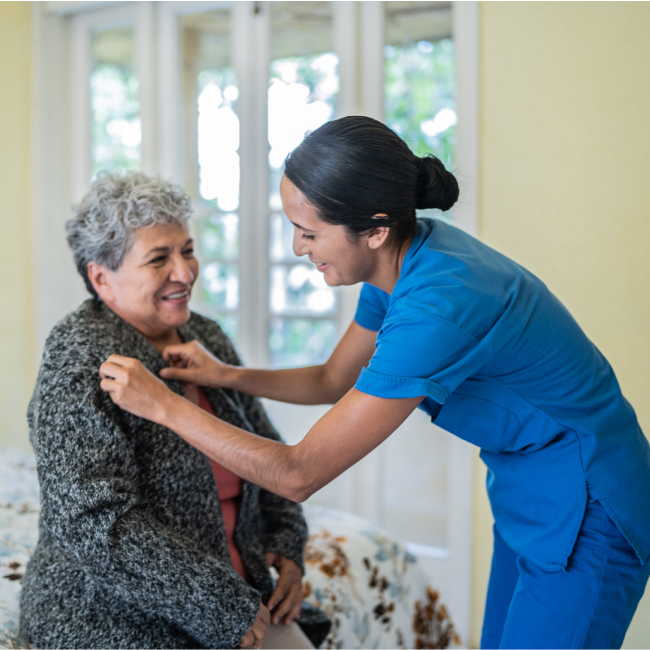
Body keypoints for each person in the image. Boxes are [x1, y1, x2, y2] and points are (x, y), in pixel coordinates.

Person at [100, 117, 650, 649]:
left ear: (375, 230)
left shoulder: (439, 304)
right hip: (529, 490)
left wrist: (164, 406)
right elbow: (333, 377)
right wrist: (227, 376)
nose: (297, 247)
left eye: (309, 232)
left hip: (589, 501)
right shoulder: (399, 265)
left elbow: (298, 473)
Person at [20, 172, 329, 650]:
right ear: (102, 277)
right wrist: (218, 604)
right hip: (117, 616)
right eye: (158, 258)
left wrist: (289, 546)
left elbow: (266, 450)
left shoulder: (203, 334)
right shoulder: (79, 356)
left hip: (241, 594)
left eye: (186, 250)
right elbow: (94, 520)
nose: (184, 273)